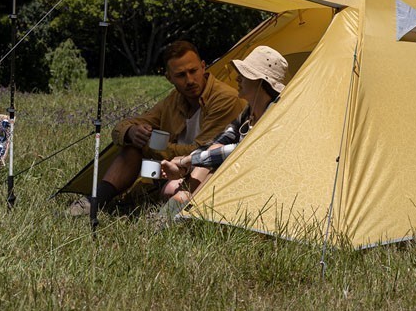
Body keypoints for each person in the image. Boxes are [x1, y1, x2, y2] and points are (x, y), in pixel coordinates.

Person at [68, 40, 243, 216]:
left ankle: (154, 207)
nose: (190, 80)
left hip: (204, 171)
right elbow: (122, 127)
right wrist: (131, 133)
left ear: (203, 67)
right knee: (132, 147)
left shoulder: (223, 98)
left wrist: (150, 145)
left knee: (169, 188)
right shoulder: (174, 99)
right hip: (170, 170)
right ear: (169, 78)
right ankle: (96, 200)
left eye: (193, 71)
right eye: (181, 75)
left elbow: (202, 152)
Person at [158, 45, 288, 216]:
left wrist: (187, 160)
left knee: (213, 170)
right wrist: (185, 166)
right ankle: (182, 207)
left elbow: (240, 151)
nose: (238, 79)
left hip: (261, 180)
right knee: (208, 160)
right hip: (237, 172)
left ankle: (181, 210)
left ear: (260, 82)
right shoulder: (248, 112)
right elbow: (220, 141)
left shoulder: (274, 116)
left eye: (244, 75)